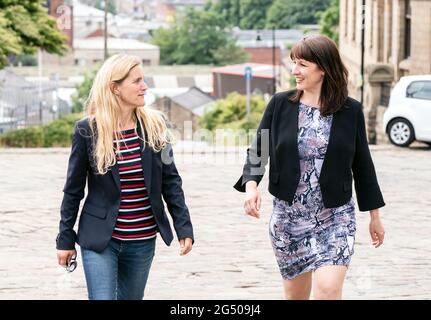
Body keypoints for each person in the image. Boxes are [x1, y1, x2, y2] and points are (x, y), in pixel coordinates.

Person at [234, 35, 385, 300]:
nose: (295, 71)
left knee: (328, 291)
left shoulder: (350, 111)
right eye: (294, 63)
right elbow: (259, 150)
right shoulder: (281, 104)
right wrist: (251, 187)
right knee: (296, 297)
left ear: (323, 68)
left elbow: (363, 165)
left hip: (335, 217)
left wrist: (374, 216)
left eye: (302, 64)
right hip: (289, 219)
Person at [56, 54, 194, 300]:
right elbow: (73, 190)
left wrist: (183, 226)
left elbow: (171, 181)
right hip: (99, 240)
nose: (145, 86)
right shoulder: (87, 130)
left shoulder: (156, 126)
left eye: (144, 80)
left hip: (142, 240)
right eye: (137, 81)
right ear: (115, 88)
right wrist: (65, 238)